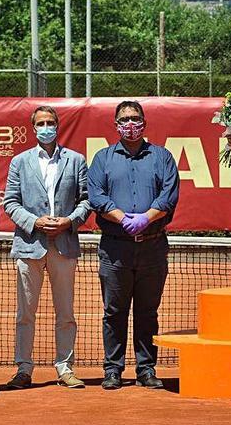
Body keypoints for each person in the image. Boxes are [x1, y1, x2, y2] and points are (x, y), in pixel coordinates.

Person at [88, 101, 179, 390]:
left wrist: (145, 218)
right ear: (115, 124)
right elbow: (97, 196)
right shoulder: (103, 158)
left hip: (152, 246)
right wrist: (122, 218)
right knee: (114, 312)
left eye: (135, 118)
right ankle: (113, 369)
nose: (130, 124)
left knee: (147, 312)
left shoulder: (162, 157)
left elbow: (169, 195)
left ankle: (146, 369)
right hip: (115, 247)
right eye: (124, 119)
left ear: (145, 122)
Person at [3, 106, 91, 390]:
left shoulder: (76, 160)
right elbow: (11, 202)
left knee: (65, 313)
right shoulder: (20, 162)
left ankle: (65, 368)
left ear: (57, 125)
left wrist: (69, 221)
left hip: (64, 245)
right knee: (25, 313)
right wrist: (35, 221)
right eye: (40, 123)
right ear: (33, 128)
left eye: (50, 122)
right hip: (30, 246)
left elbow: (86, 201)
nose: (46, 127)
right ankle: (24, 369)